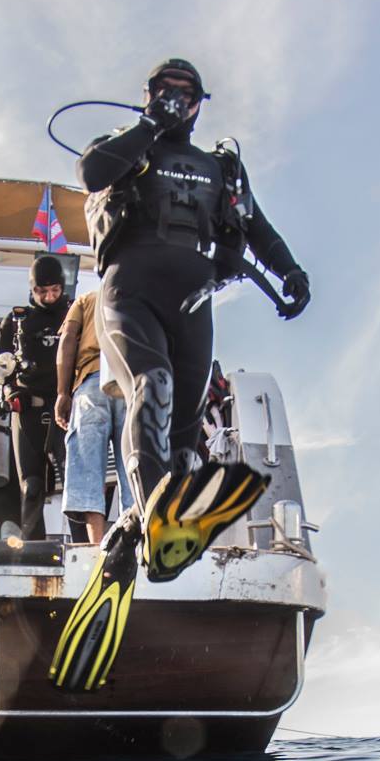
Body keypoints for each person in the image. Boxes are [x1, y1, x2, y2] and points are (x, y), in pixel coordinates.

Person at [50, 58, 311, 694]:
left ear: (201, 104)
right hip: (130, 286)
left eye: (186, 95)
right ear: (150, 96)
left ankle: (137, 534)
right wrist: (148, 126)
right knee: (153, 387)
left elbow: (254, 228)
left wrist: (291, 271)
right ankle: (151, 512)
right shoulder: (124, 149)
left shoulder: (221, 167)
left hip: (194, 297)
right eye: (166, 92)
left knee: (188, 435)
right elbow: (90, 174)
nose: (176, 101)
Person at [0, 255, 71, 541]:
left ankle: (82, 542)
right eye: (42, 291)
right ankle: (34, 546)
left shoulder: (74, 312)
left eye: (54, 289)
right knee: (32, 485)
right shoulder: (16, 320)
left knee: (74, 482)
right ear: (32, 290)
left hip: (65, 410)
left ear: (62, 287)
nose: (49, 296)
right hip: (26, 411)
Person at [53, 286, 132, 543]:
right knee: (133, 468)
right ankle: (135, 544)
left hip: (91, 382)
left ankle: (95, 545)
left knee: (88, 467)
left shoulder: (87, 299)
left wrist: (63, 393)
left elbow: (67, 340)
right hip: (130, 381)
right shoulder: (139, 292)